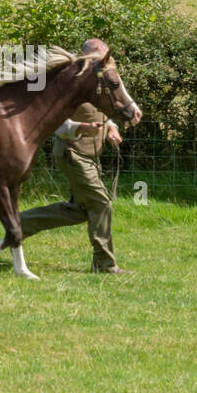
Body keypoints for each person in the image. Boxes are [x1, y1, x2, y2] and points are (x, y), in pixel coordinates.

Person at [13, 100, 130, 274]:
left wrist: (111, 127)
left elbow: (100, 113)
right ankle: (104, 264)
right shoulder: (69, 81)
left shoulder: (99, 83)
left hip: (92, 156)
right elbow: (52, 121)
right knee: (101, 203)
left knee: (80, 210)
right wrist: (81, 127)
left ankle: (20, 224)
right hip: (73, 154)